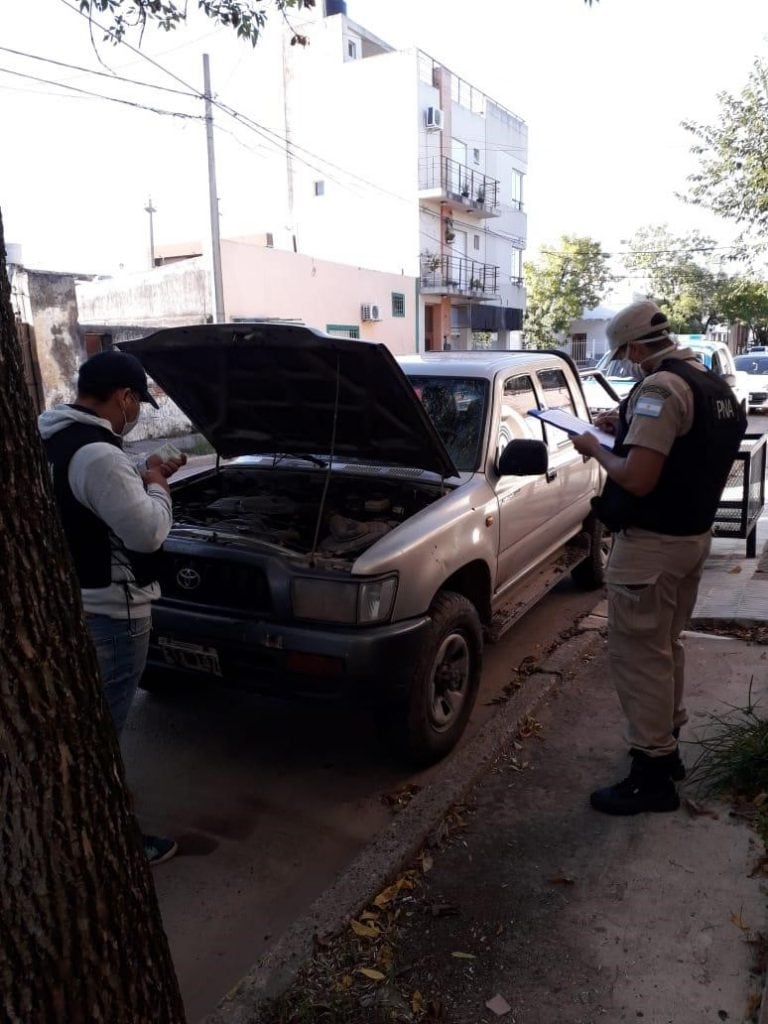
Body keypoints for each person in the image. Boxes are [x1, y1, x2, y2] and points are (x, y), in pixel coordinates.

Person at [571, 301, 746, 816]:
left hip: (650, 546)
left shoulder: (660, 388)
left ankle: (652, 777)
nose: (625, 363)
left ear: (632, 349)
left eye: (623, 354)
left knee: (639, 659)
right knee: (665, 648)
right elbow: (684, 447)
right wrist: (621, 424)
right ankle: (666, 751)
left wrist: (594, 445)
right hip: (692, 538)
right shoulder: (710, 385)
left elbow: (639, 478)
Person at [39, 349, 186, 864]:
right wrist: (158, 484)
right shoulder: (99, 455)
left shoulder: (50, 434)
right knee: (104, 738)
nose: (137, 413)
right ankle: (112, 847)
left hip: (74, 601)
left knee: (81, 727)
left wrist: (141, 473)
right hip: (115, 615)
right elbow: (147, 534)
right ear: (124, 398)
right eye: (137, 404)